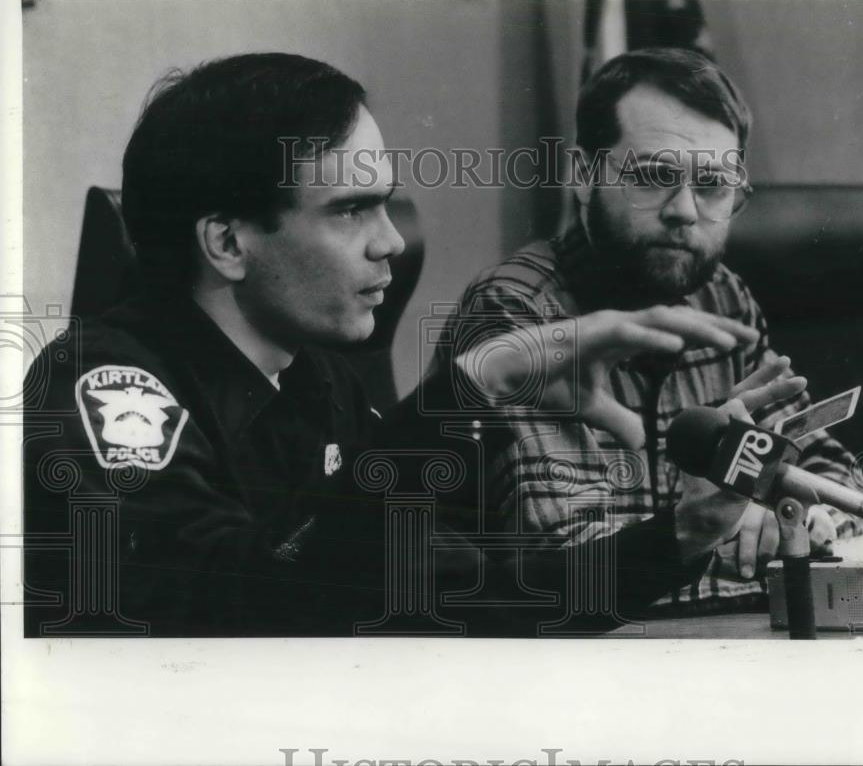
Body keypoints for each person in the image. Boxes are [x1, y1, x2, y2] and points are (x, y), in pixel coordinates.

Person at [22, 52, 762, 637]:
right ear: (225, 241)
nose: (390, 243)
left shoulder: (323, 382)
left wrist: (683, 535)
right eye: (351, 211)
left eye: (384, 204)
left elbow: (472, 596)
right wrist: (465, 389)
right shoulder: (105, 385)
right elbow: (234, 605)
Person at [429, 47, 863, 616]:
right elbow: (576, 566)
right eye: (654, 177)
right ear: (583, 175)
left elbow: (832, 470)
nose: (686, 212)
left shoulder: (722, 296)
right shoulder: (515, 313)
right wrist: (768, 548)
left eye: (713, 185)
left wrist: (807, 523)